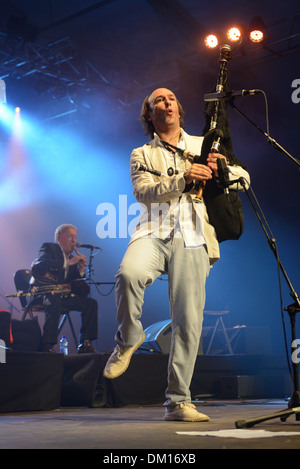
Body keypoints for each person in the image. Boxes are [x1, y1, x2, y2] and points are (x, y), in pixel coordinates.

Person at [103, 88, 250, 421]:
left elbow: (245, 178)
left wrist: (221, 170)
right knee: (129, 274)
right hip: (153, 230)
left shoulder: (204, 144)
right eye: (157, 101)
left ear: (179, 110)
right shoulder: (141, 153)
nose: (165, 103)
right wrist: (184, 178)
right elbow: (144, 192)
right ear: (149, 115)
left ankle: (178, 402)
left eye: (170, 99)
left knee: (188, 319)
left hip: (194, 235)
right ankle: (128, 338)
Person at [31, 224, 98, 353]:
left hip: (61, 296)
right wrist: (69, 263)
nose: (74, 240)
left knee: (90, 304)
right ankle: (47, 345)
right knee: (54, 301)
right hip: (44, 293)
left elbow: (70, 280)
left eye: (75, 237)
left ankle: (85, 343)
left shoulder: (72, 257)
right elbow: (43, 264)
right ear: (58, 238)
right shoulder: (49, 248)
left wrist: (81, 270)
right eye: (70, 236)